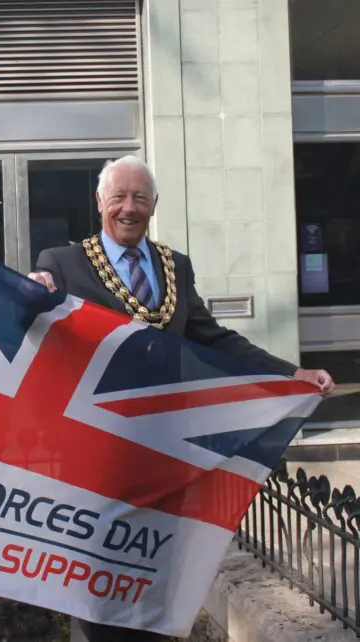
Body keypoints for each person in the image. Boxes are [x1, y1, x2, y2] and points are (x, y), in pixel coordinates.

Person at [28, 155, 334, 642]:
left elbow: (213, 339)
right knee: (96, 590)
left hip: (165, 453)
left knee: (156, 577)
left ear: (154, 205)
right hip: (96, 458)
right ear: (100, 202)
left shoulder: (174, 265)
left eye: (140, 198)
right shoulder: (62, 264)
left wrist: (291, 372)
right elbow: (34, 323)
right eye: (119, 198)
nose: (129, 208)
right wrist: (31, 292)